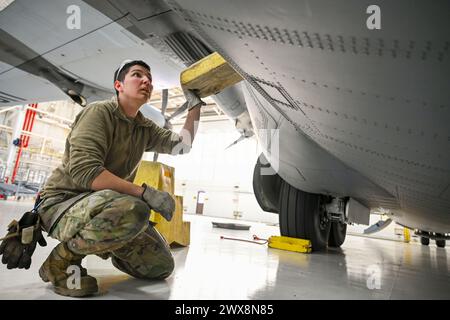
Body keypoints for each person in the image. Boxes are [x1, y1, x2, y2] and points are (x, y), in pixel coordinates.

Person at [1, 59, 205, 297]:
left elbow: (183, 146)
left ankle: (109, 238)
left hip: (107, 205)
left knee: (160, 267)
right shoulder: (99, 113)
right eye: (138, 75)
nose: (147, 81)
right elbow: (86, 172)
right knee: (135, 208)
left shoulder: (143, 127)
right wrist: (145, 192)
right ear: (118, 85)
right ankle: (61, 262)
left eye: (149, 78)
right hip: (63, 202)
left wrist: (195, 107)